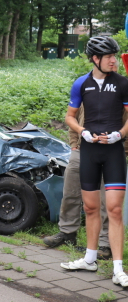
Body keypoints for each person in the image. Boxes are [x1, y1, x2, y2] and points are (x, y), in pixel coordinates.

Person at [60, 36, 128, 287]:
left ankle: (119, 269)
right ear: (95, 59)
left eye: (115, 55)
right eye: (109, 56)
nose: (115, 60)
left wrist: (119, 134)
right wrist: (82, 131)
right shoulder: (81, 84)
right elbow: (69, 116)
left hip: (113, 152)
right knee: (90, 209)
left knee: (115, 209)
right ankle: (89, 259)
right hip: (89, 150)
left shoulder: (122, 83)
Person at [42, 103, 123, 260]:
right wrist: (74, 145)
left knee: (106, 202)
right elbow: (72, 118)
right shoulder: (85, 90)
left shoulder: (118, 93)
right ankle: (67, 233)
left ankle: (105, 245)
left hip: (109, 153)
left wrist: (122, 150)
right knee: (70, 193)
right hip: (81, 151)